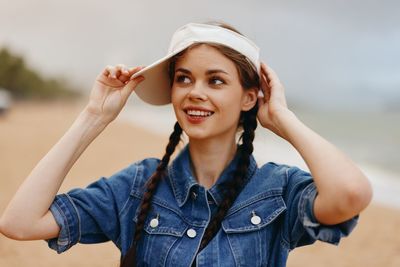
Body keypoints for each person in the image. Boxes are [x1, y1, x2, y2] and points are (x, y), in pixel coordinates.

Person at [0, 22, 372, 267]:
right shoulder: (136, 187)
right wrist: (94, 117)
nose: (195, 93)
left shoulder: (277, 191)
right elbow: (19, 223)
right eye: (184, 78)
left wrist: (283, 120)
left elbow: (351, 194)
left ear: (249, 98)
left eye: (215, 81)